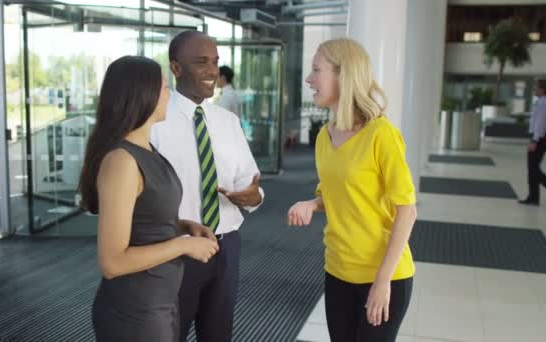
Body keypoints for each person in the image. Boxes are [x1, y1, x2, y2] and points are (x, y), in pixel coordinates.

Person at [79, 55, 219, 342]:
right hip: (134, 313)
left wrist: (182, 225)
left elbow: (143, 217)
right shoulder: (122, 161)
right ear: (143, 95)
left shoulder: (147, 150)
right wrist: (184, 245)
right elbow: (112, 262)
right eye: (165, 87)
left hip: (159, 304)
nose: (170, 94)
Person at [287, 38, 417, 342]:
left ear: (343, 75)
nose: (309, 79)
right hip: (337, 269)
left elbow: (406, 210)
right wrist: (312, 204)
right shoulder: (324, 137)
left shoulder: (381, 135)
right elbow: (334, 193)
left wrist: (382, 281)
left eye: (316, 70)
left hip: (383, 275)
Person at [151, 31, 264, 342]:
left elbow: (251, 182)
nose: (212, 71)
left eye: (215, 62)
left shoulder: (227, 121)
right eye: (201, 62)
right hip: (175, 248)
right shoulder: (153, 123)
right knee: (169, 333)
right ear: (176, 68)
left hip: (227, 247)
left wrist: (253, 196)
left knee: (218, 334)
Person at [519, 79, 546, 206]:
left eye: (536, 88)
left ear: (542, 89)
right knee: (533, 168)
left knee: (533, 169)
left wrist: (534, 140)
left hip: (540, 138)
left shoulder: (543, 103)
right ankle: (533, 197)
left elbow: (540, 123)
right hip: (544, 138)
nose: (534, 90)